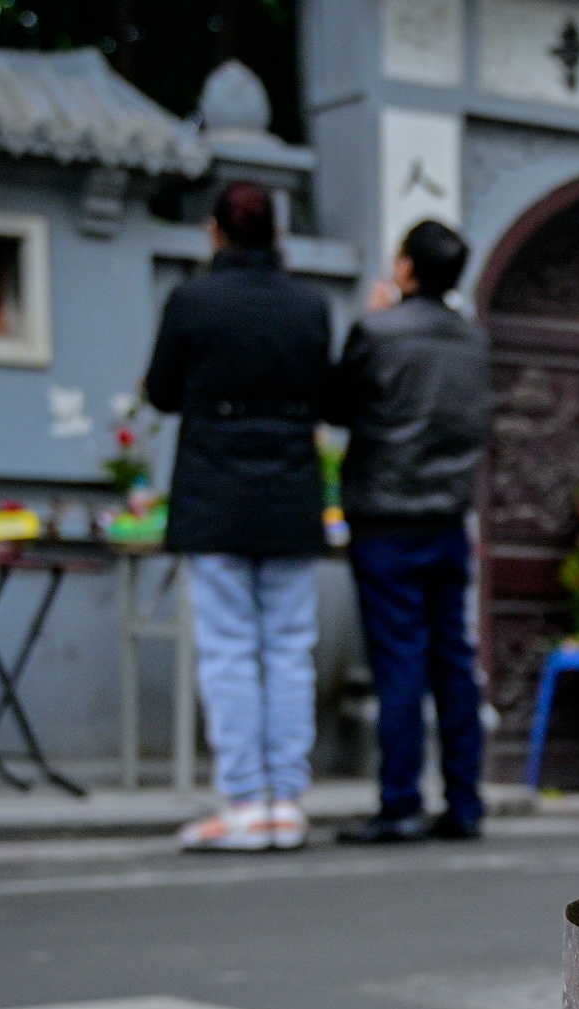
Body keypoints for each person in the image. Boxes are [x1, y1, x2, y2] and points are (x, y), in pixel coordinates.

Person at [147, 181, 333, 851]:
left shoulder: (192, 300)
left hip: (214, 493)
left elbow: (163, 392)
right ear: (277, 234)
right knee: (288, 650)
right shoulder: (310, 305)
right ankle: (287, 802)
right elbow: (325, 394)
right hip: (289, 494)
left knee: (228, 650)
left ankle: (245, 802)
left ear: (214, 232)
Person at [324, 220, 493, 844]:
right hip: (447, 518)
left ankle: (399, 802)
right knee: (453, 660)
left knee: (398, 660)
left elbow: (339, 405)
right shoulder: (473, 341)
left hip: (385, 518)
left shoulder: (377, 330)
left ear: (406, 270)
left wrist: (375, 317)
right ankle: (464, 802)